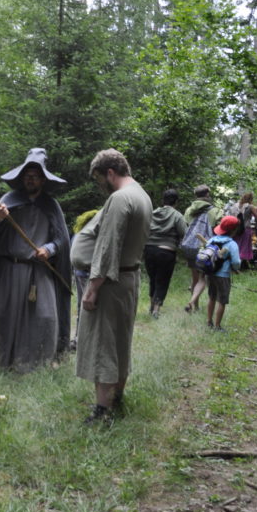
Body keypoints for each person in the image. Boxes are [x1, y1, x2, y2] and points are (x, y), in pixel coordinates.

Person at [0, 149, 72, 371]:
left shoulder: (51, 205)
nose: (30, 179)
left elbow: (62, 239)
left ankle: (38, 363)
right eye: (27, 175)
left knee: (45, 316)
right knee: (2, 315)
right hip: (9, 269)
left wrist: (48, 249)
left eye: (35, 176)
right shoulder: (8, 200)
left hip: (39, 271)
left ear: (43, 180)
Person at [77, 149, 153, 425]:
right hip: (127, 277)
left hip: (111, 281)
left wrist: (93, 287)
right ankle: (116, 397)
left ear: (110, 172)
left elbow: (108, 246)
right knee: (120, 339)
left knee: (104, 343)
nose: (101, 186)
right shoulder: (141, 195)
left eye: (100, 179)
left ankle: (102, 410)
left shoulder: (120, 199)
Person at [143, 189, 187, 318]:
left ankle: (151, 306)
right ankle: (156, 310)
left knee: (153, 279)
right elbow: (184, 233)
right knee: (162, 280)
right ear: (176, 202)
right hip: (166, 251)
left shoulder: (153, 213)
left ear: (163, 200)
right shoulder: (177, 215)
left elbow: (144, 228)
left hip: (149, 249)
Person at [182, 185, 220, 313]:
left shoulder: (189, 210)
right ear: (207, 195)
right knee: (203, 278)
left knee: (194, 278)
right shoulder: (214, 211)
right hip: (205, 247)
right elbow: (218, 229)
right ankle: (193, 302)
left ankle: (196, 306)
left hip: (190, 246)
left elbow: (186, 226)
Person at [204, 216, 242, 331]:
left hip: (210, 273)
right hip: (223, 275)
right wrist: (235, 268)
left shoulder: (211, 240)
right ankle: (217, 326)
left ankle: (209, 321)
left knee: (212, 297)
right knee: (222, 300)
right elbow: (236, 262)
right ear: (234, 230)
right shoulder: (232, 244)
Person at [69, 209, 100, 351]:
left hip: (80, 273)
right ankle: (83, 340)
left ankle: (78, 339)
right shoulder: (92, 234)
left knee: (82, 306)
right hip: (87, 274)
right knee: (89, 306)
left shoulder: (79, 234)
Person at [234, 192, 257, 268]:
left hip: (236, 229)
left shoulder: (236, 205)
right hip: (246, 228)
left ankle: (234, 263)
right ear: (250, 199)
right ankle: (239, 266)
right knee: (244, 247)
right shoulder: (250, 207)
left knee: (237, 246)